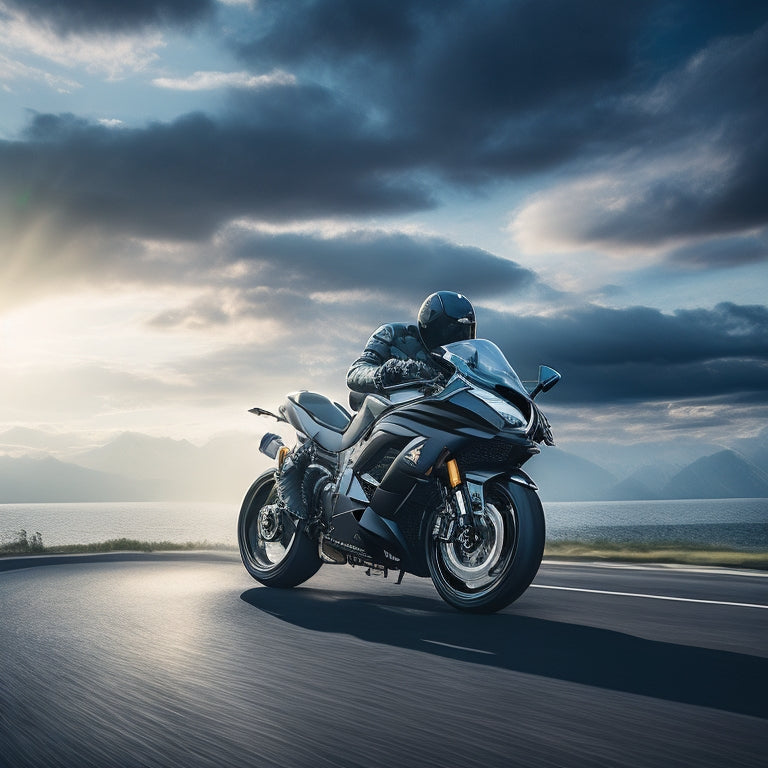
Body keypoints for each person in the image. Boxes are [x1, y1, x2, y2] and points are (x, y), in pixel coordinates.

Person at [346, 290, 476, 397]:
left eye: (467, 330)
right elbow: (355, 372)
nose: (461, 337)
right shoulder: (393, 334)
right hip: (387, 414)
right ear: (436, 326)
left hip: (440, 417)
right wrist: (390, 373)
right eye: (453, 329)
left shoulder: (465, 362)